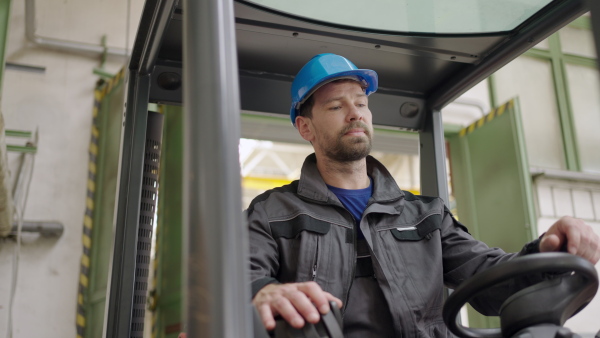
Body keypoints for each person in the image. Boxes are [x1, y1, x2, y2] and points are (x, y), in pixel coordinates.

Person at [247, 53, 600, 337]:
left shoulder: (425, 215)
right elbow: (240, 276)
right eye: (336, 107)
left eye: (361, 103)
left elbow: (489, 279)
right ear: (305, 126)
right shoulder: (272, 212)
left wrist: (547, 249)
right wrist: (262, 290)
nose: (355, 114)